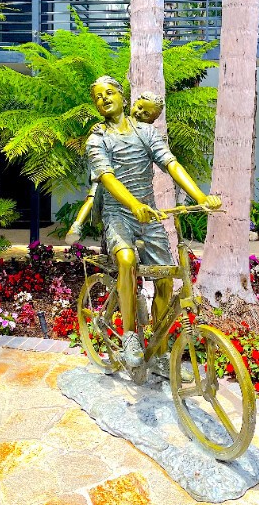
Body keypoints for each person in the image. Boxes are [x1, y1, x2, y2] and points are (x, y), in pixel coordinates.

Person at [83, 75, 220, 373]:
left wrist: (201, 197)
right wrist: (133, 205)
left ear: (123, 97)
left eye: (109, 93)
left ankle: (159, 350)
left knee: (166, 277)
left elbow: (170, 163)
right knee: (127, 260)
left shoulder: (145, 132)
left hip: (150, 215)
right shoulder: (97, 139)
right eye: (98, 97)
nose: (104, 99)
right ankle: (130, 336)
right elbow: (107, 177)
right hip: (118, 214)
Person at [65, 92, 165, 246]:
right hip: (107, 174)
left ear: (151, 120)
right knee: (92, 197)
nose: (139, 113)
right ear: (132, 103)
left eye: (146, 114)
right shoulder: (108, 128)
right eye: (139, 108)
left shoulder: (147, 133)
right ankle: (77, 226)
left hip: (133, 187)